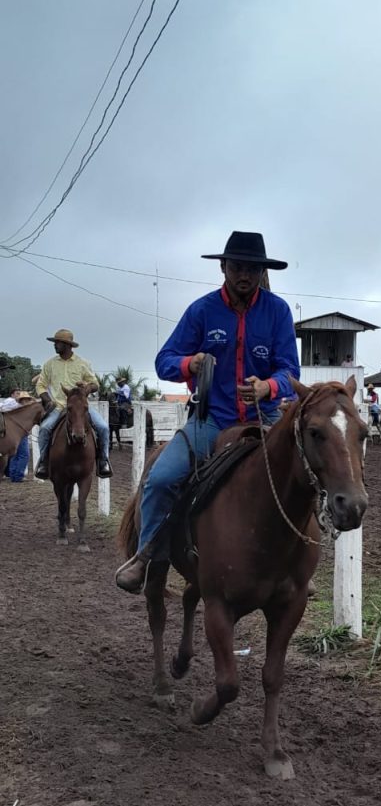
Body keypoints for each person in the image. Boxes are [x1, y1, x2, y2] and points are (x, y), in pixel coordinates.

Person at [116, 230, 300, 594]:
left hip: (264, 418)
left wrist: (268, 387)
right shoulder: (202, 310)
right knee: (162, 479)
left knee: (305, 475)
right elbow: (164, 361)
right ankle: (147, 555)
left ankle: (296, 564)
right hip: (212, 419)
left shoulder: (277, 311)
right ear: (223, 267)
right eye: (237, 267)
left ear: (262, 271)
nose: (244, 275)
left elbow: (290, 372)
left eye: (252, 268)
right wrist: (190, 363)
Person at [34, 329, 112, 479]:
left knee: (103, 427)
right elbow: (40, 385)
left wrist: (87, 388)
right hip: (59, 406)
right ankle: (43, 462)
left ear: (67, 345)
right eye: (55, 342)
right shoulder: (49, 364)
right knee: (44, 429)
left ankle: (103, 461)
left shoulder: (82, 364)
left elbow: (95, 384)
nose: (55, 345)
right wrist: (47, 400)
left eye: (58, 343)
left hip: (80, 407)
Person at [1, 390, 36, 482]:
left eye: (28, 399)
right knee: (24, 454)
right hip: (20, 433)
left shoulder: (14, 406)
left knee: (15, 454)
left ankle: (13, 474)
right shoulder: (18, 407)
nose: (27, 401)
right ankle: (18, 475)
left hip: (13, 432)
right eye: (26, 399)